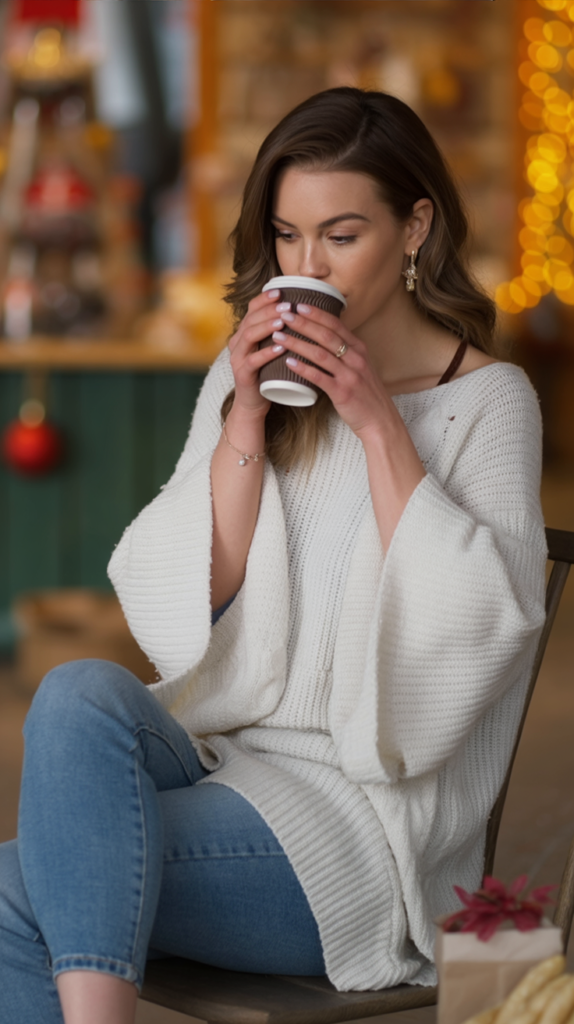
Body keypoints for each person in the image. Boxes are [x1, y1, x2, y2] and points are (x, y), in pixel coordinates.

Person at [0, 87, 547, 1024]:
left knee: (17, 890)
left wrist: (379, 425)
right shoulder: (246, 372)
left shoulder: (492, 402)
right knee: (77, 692)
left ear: (415, 228)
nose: (306, 265)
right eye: (288, 238)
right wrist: (244, 419)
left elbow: (478, 641)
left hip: (363, 833)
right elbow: (181, 603)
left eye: (340, 235)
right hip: (228, 766)